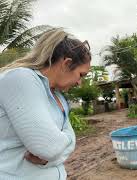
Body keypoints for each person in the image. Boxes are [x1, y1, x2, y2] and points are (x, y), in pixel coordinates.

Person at [0, 29, 91, 179]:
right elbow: (48, 148)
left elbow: (63, 145)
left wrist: (51, 158)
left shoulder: (57, 96)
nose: (79, 83)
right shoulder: (20, 78)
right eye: (81, 75)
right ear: (67, 63)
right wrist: (67, 141)